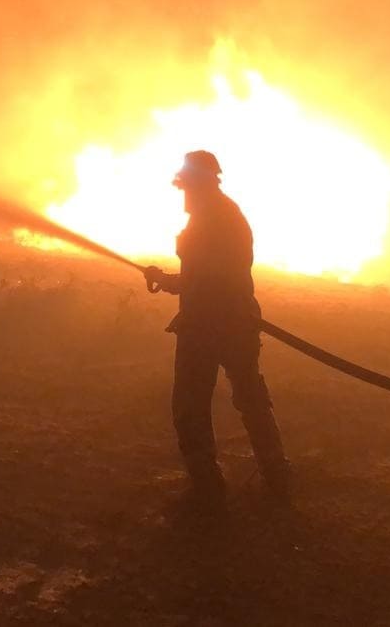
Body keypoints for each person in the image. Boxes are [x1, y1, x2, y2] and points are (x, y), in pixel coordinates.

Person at [144, 150, 289, 510]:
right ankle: (276, 474)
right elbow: (205, 275)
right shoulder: (221, 215)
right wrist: (167, 280)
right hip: (231, 322)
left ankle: (209, 488)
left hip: (210, 325)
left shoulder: (216, 219)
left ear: (200, 183)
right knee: (250, 398)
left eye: (186, 185)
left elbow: (211, 278)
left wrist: (178, 283)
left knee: (191, 407)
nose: (183, 194)